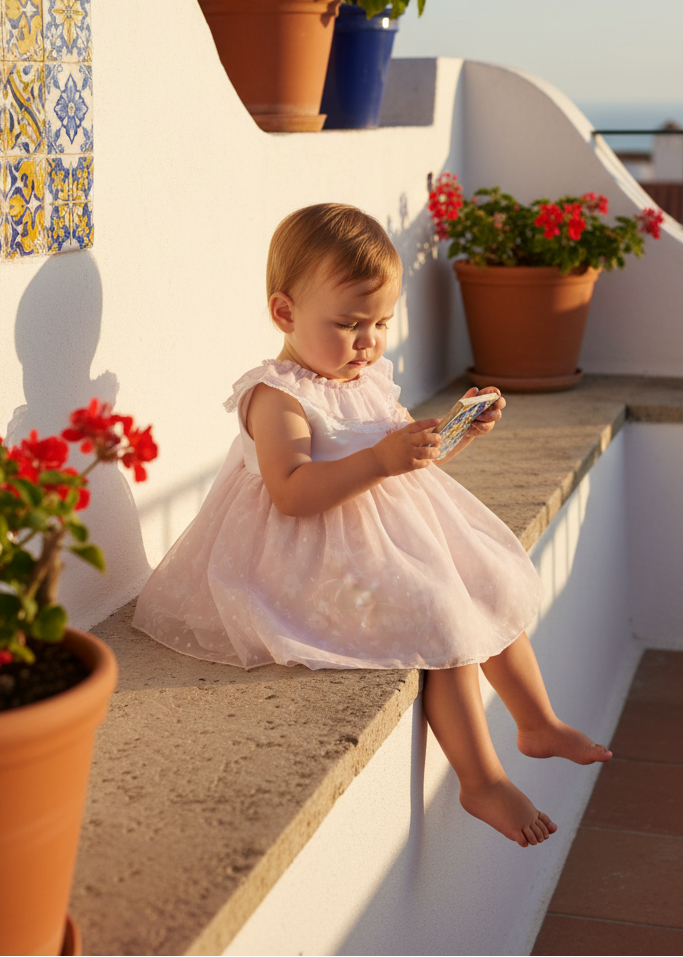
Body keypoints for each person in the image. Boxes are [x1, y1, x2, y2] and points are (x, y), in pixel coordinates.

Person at [133, 203, 612, 848]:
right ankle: (481, 778)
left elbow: (398, 450)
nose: (368, 342)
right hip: (308, 556)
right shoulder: (278, 399)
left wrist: (447, 439)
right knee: (439, 614)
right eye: (350, 324)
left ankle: (537, 721)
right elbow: (293, 492)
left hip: (382, 530)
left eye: (382, 322)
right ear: (285, 313)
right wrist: (380, 461)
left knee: (487, 577)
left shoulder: (363, 374)